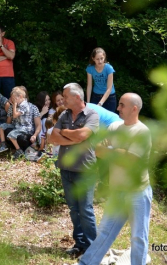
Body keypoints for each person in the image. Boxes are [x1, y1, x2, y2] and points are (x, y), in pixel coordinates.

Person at [78, 93, 152, 265]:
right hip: (117, 192)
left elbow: (130, 161)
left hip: (137, 193)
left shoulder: (142, 132)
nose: (118, 108)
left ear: (134, 108)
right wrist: (118, 152)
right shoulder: (115, 127)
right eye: (119, 104)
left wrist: (112, 151)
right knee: (104, 233)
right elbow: (97, 150)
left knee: (139, 237)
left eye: (122, 105)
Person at [49, 83, 99, 258]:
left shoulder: (92, 115)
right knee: (73, 208)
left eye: (66, 96)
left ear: (77, 97)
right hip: (66, 169)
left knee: (85, 209)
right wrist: (73, 138)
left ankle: (93, 248)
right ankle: (79, 244)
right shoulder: (64, 113)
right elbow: (53, 137)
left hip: (85, 170)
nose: (63, 99)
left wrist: (66, 133)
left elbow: (83, 136)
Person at [0, 87, 41, 159]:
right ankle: (3, 145)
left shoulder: (31, 107)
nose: (13, 101)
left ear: (22, 96)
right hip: (16, 128)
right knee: (4, 128)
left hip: (26, 131)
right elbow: (8, 122)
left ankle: (19, 150)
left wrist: (35, 135)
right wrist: (2, 131)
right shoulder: (12, 107)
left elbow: (38, 125)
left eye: (14, 99)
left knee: (18, 137)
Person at [86, 47, 116, 113]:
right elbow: (89, 86)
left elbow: (109, 89)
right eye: (97, 59)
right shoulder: (90, 68)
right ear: (93, 58)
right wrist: (88, 103)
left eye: (101, 58)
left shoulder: (109, 68)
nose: (100, 61)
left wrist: (100, 103)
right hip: (96, 95)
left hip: (109, 97)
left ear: (104, 57)